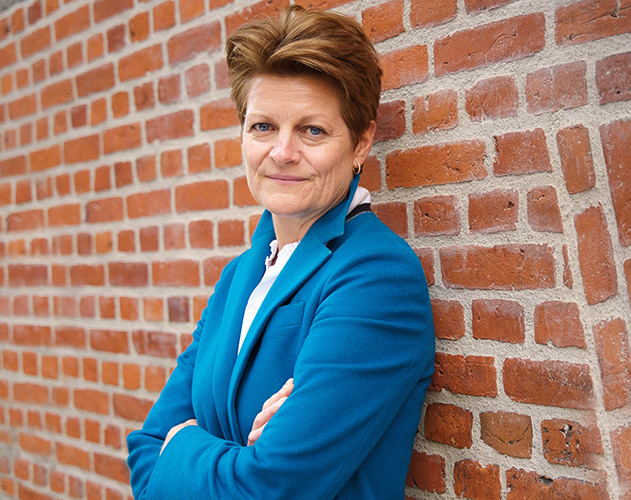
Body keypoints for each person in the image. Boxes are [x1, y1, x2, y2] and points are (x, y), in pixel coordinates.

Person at [126, 6, 435, 499]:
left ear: (360, 143)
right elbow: (144, 455)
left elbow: (272, 487)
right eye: (263, 127)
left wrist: (181, 446)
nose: (283, 152)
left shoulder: (376, 276)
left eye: (313, 130)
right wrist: (234, 457)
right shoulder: (238, 277)